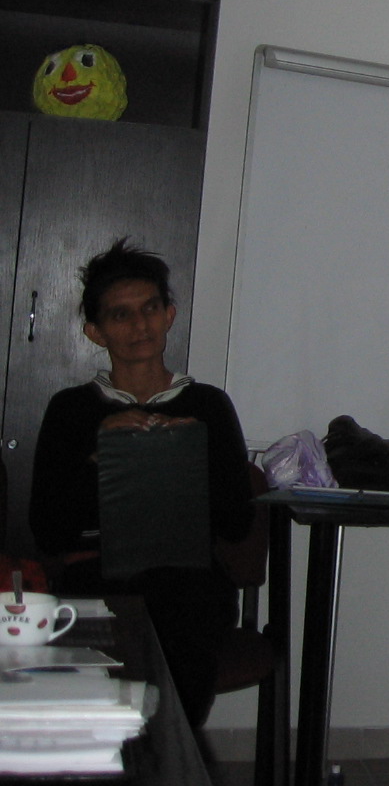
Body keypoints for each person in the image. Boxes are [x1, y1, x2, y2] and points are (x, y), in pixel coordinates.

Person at [30, 238, 253, 730]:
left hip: (188, 581)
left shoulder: (208, 405)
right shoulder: (72, 410)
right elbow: (48, 531)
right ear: (95, 331)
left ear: (169, 315)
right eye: (121, 315)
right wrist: (101, 453)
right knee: (113, 635)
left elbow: (237, 523)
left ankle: (169, 749)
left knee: (182, 620)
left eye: (150, 309)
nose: (140, 326)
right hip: (100, 576)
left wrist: (191, 454)